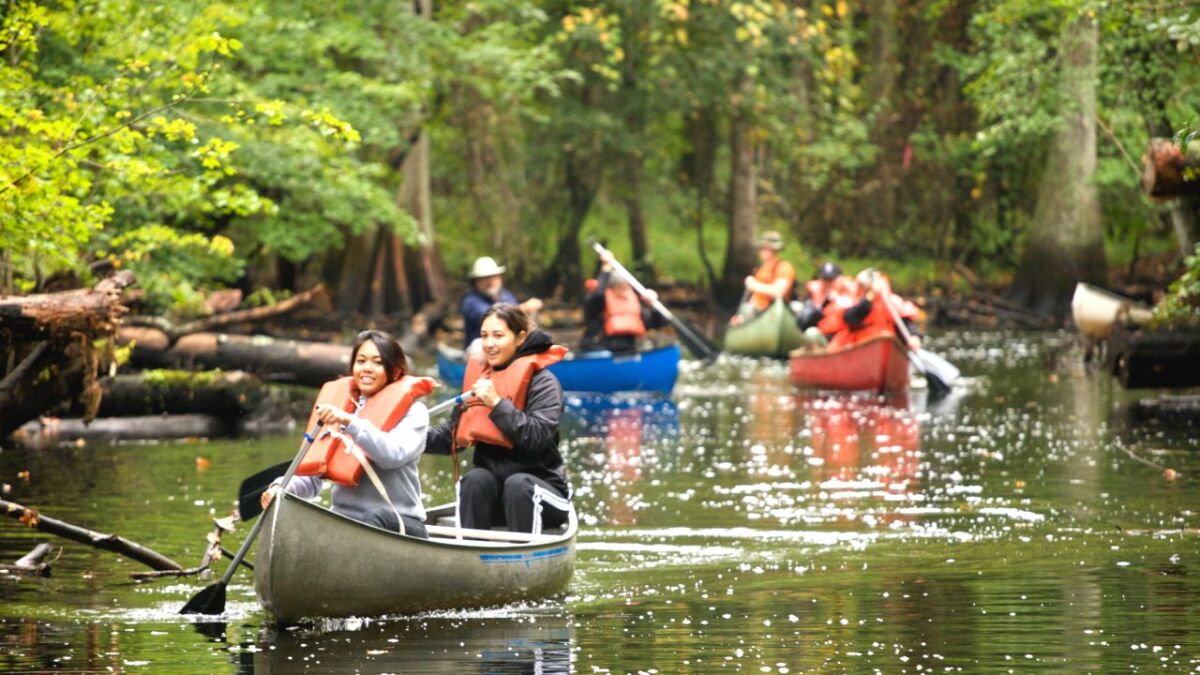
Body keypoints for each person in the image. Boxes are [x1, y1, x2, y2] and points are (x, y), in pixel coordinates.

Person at [261, 330, 433, 537]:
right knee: (300, 512)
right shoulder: (338, 407)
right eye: (361, 361)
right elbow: (312, 476)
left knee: (374, 518)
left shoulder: (415, 412)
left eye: (377, 363)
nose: (367, 368)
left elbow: (392, 455)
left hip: (400, 523)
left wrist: (350, 422)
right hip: (346, 521)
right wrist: (281, 488)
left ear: (395, 370)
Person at [427, 304, 573, 533]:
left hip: (541, 494)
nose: (489, 344)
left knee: (518, 485)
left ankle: (523, 563)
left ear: (520, 337)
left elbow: (537, 438)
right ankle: (471, 560)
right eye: (484, 336)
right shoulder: (481, 378)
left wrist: (496, 404)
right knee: (475, 480)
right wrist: (405, 435)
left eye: (498, 335)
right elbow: (450, 437)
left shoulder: (544, 383)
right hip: (496, 496)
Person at [580, 251, 665, 353]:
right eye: (619, 287)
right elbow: (599, 294)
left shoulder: (632, 302)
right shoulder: (597, 301)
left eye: (626, 287)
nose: (624, 292)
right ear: (611, 287)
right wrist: (605, 268)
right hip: (597, 347)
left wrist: (653, 305)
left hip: (627, 349)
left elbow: (657, 323)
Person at [826, 269, 922, 352]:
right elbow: (850, 319)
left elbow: (906, 324)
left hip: (888, 348)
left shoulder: (891, 303)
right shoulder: (853, 302)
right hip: (860, 348)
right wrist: (870, 297)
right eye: (863, 288)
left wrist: (914, 337)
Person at [461, 256, 544, 350]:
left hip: (505, 347)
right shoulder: (471, 301)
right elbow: (493, 317)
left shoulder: (506, 295)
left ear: (499, 278)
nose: (490, 281)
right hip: (479, 351)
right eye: (485, 278)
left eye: (493, 276)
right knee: (477, 345)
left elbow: (517, 318)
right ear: (476, 282)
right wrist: (525, 308)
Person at [730, 230, 796, 325]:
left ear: (774, 250)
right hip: (756, 313)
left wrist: (754, 285)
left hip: (774, 313)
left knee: (748, 310)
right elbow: (755, 298)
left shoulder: (784, 267)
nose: (761, 251)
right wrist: (741, 317)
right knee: (745, 311)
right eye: (762, 248)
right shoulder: (760, 269)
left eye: (765, 248)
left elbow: (779, 291)